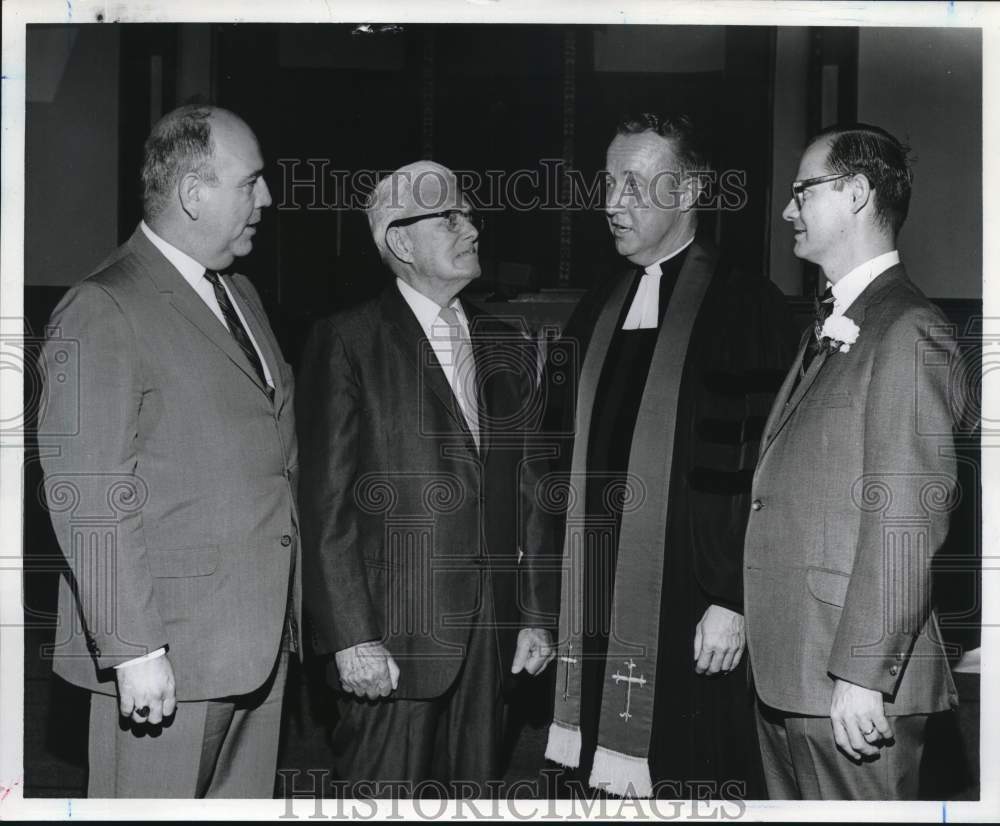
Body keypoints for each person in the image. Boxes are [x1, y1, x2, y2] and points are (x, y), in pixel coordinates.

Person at [38, 105, 299, 798]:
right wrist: (133, 649)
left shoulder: (238, 293)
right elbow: (87, 490)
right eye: (252, 182)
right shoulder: (103, 306)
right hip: (167, 657)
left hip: (254, 641)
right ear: (193, 194)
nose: (266, 199)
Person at [543, 113, 795, 798]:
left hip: (690, 602)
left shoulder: (747, 308)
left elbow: (760, 470)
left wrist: (732, 599)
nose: (610, 203)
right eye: (606, 183)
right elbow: (551, 455)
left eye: (633, 184)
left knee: (687, 777)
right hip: (592, 595)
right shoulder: (596, 305)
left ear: (688, 193)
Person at [297, 160, 556, 796]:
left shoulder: (507, 342)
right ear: (401, 242)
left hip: (490, 642)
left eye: (469, 215)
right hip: (391, 645)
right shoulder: (347, 340)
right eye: (450, 217)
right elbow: (323, 504)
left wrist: (536, 614)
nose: (471, 229)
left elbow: (532, 489)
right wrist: (351, 637)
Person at [743, 124, 959, 799]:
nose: (787, 211)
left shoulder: (908, 328)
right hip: (798, 671)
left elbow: (908, 517)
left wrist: (864, 673)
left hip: (849, 682)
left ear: (858, 193)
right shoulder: (843, 321)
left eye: (802, 192)